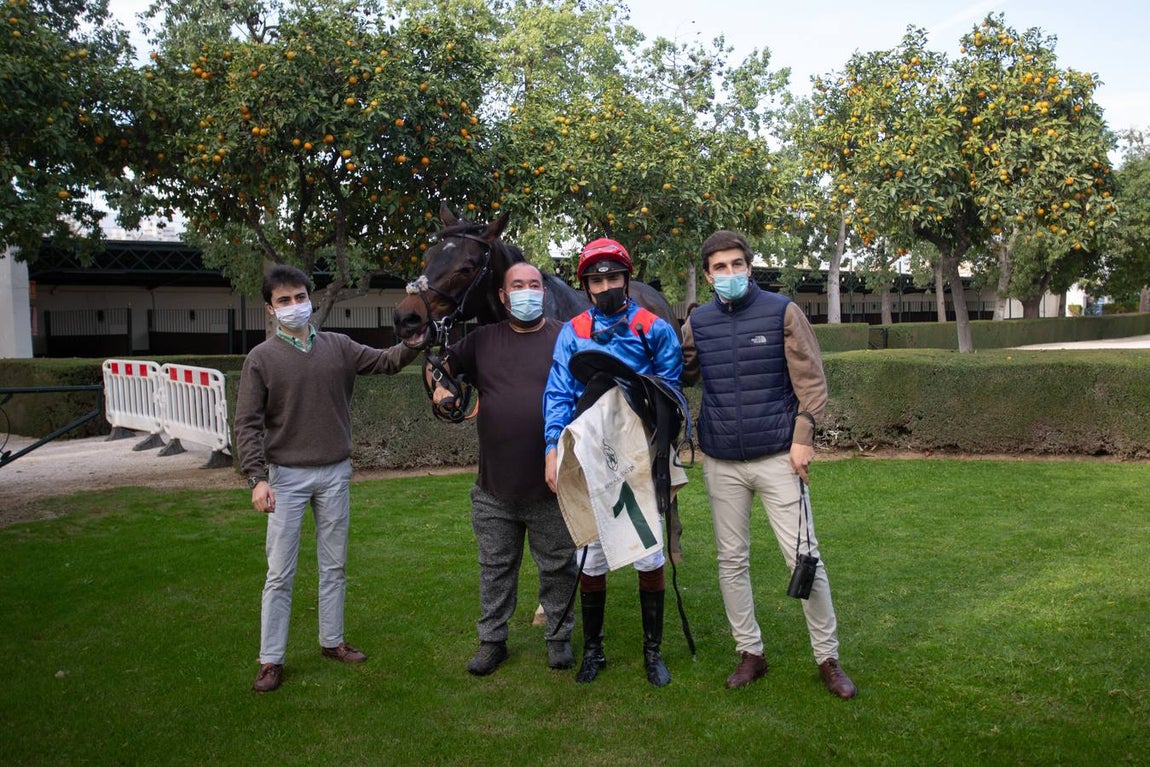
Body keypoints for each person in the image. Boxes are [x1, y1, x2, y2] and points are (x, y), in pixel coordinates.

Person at [680, 230, 857, 699]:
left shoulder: (783, 312)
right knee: (730, 561)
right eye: (720, 267)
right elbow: (681, 372)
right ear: (707, 274)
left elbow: (812, 383)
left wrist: (803, 440)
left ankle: (828, 657)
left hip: (779, 456)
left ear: (749, 267)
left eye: (737, 264)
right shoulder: (698, 322)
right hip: (722, 461)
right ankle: (750, 653)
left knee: (804, 558)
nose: (730, 273)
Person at [235, 264, 420, 693]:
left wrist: (414, 341)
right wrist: (256, 479)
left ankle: (331, 641)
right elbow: (246, 423)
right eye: (284, 301)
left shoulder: (338, 346)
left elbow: (386, 362)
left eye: (299, 297)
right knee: (280, 573)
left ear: (310, 298)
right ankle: (270, 659)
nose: (294, 306)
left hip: (335, 473)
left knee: (333, 566)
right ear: (270, 308)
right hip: (285, 478)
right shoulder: (260, 359)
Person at [543, 237, 683, 688]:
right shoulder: (573, 332)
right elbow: (559, 392)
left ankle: (652, 652)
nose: (606, 286)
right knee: (592, 551)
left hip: (639, 451)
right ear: (586, 286)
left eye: (613, 277)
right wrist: (552, 447)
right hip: (588, 451)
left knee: (648, 552)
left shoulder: (653, 328)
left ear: (627, 277)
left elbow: (672, 390)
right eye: (596, 280)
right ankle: (595, 651)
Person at [429, 262, 578, 676]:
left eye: (534, 285)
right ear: (502, 295)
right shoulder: (481, 341)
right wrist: (440, 388)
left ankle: (559, 638)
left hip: (551, 485)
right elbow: (439, 370)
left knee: (558, 568)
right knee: (495, 569)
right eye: (518, 285)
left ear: (544, 293)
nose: (527, 292)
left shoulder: (565, 338)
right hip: (494, 489)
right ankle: (493, 641)